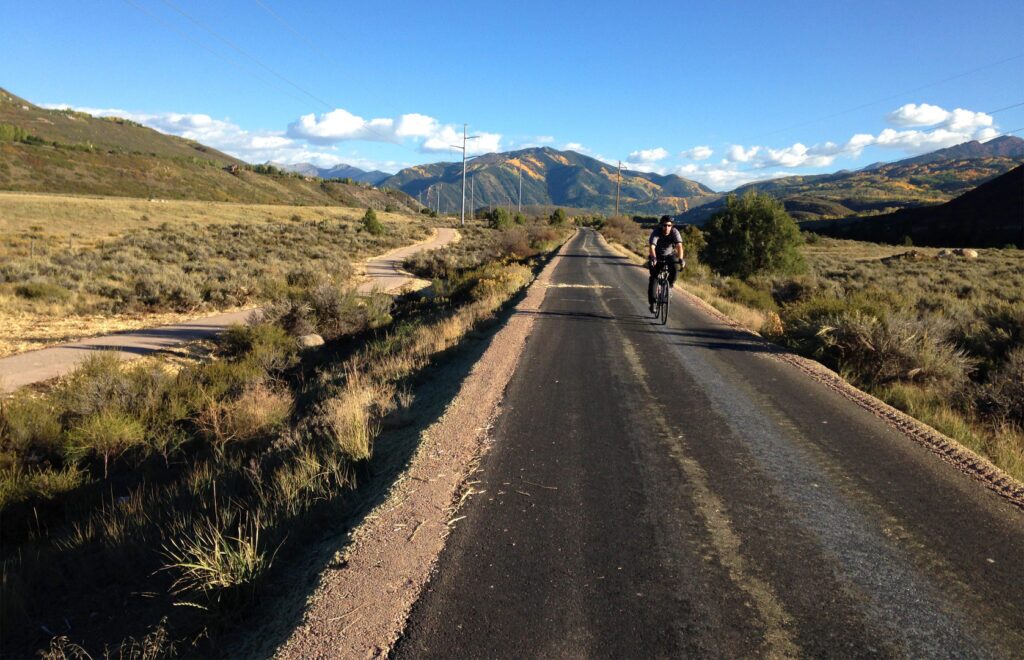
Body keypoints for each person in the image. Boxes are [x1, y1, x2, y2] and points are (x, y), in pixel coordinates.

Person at [648, 215, 685, 313]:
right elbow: (652, 247)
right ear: (661, 225)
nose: (667, 227)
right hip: (657, 255)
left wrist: (681, 259)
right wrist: (654, 258)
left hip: (669, 255)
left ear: (672, 226)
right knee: (654, 278)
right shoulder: (656, 232)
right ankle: (653, 303)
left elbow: (679, 246)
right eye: (665, 225)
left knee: (675, 269)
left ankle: (670, 286)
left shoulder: (675, 232)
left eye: (669, 225)